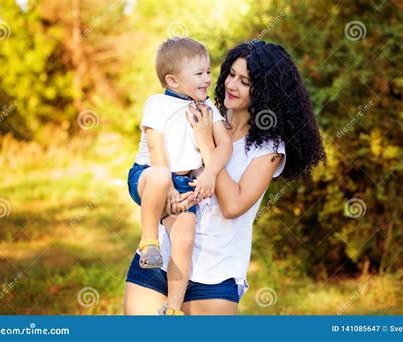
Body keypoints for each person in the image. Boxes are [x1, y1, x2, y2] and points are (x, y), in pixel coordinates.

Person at [124, 40, 326, 315]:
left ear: (265, 90)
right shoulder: (198, 111)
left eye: (245, 81)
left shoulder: (269, 148)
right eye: (231, 74)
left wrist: (206, 143)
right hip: (161, 262)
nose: (231, 85)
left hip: (215, 274)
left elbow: (233, 206)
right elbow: (157, 166)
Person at [126, 37, 232, 315]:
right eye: (199, 73)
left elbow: (225, 146)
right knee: (161, 175)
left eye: (208, 71)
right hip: (148, 177)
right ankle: (149, 241)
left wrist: (210, 173)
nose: (208, 79)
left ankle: (172, 306)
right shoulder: (157, 103)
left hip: (184, 183)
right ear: (172, 81)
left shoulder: (208, 107)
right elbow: (155, 145)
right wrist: (168, 189)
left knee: (184, 242)